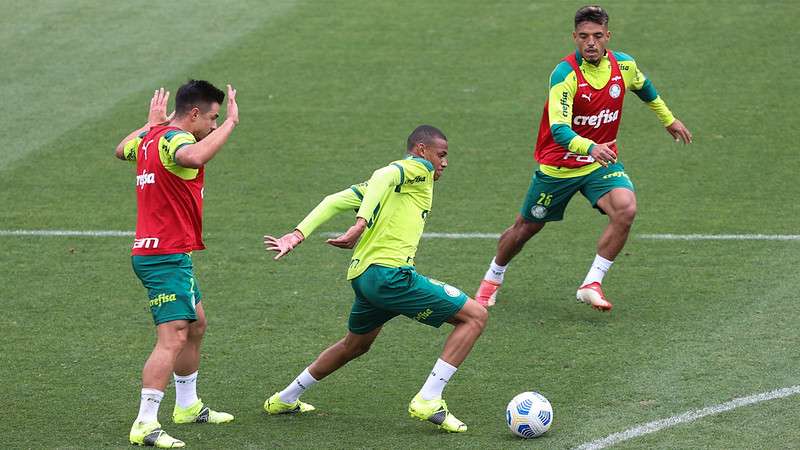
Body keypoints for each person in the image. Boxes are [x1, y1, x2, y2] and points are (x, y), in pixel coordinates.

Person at [262, 125, 488, 433]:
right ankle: (429, 398)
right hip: (390, 277)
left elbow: (332, 200)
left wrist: (298, 233)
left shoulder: (389, 184)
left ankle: (286, 398)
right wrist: (359, 225)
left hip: (366, 279)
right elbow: (385, 174)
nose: (444, 163)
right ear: (421, 151)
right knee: (475, 316)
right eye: (441, 155)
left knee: (355, 345)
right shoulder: (417, 170)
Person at [475, 5, 692, 311]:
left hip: (600, 163)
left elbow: (645, 89)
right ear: (574, 37)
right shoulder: (565, 74)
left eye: (598, 36)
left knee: (626, 209)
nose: (591, 42)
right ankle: (492, 278)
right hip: (559, 166)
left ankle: (591, 283)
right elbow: (559, 128)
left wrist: (668, 120)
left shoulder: (624, 66)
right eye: (584, 36)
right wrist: (590, 146)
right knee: (525, 228)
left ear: (608, 36)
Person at [115, 80, 239, 448]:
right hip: (164, 256)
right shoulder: (176, 141)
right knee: (173, 338)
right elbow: (194, 157)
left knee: (197, 324)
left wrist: (153, 122)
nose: (214, 126)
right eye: (213, 118)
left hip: (167, 252)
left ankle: (187, 405)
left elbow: (121, 149)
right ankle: (145, 423)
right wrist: (233, 122)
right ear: (195, 114)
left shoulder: (154, 137)